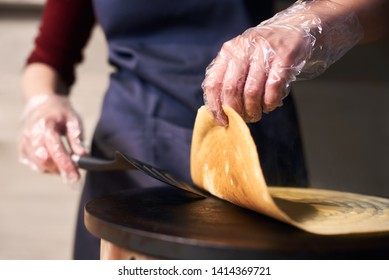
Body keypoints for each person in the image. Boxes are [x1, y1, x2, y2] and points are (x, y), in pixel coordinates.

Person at [19, 0, 388, 260]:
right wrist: (43, 103)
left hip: (252, 137)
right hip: (130, 159)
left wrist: (306, 22)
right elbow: (49, 57)